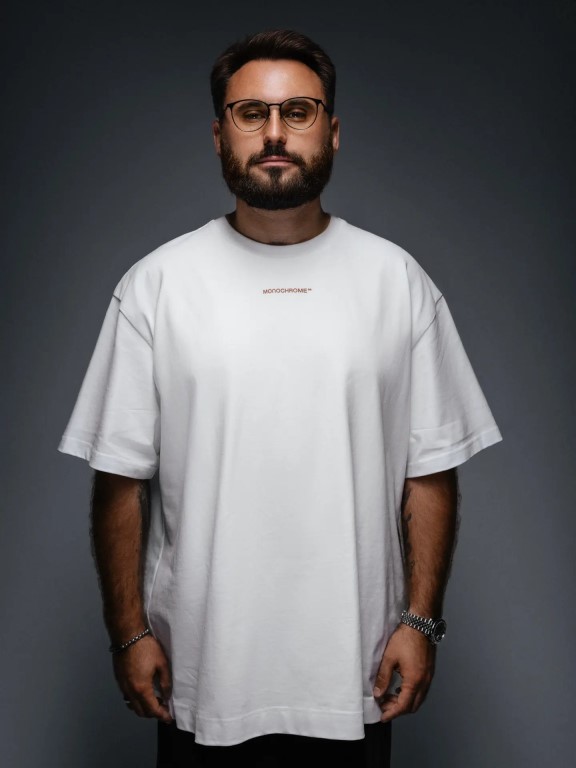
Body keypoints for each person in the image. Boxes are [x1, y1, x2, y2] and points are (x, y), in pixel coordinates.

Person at [57, 29, 503, 768]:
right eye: (250, 113)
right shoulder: (156, 286)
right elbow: (119, 478)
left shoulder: (396, 281)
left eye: (297, 111)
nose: (273, 133)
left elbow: (429, 468)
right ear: (218, 134)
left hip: (356, 671)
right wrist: (129, 634)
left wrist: (421, 623)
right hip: (201, 671)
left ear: (333, 130)